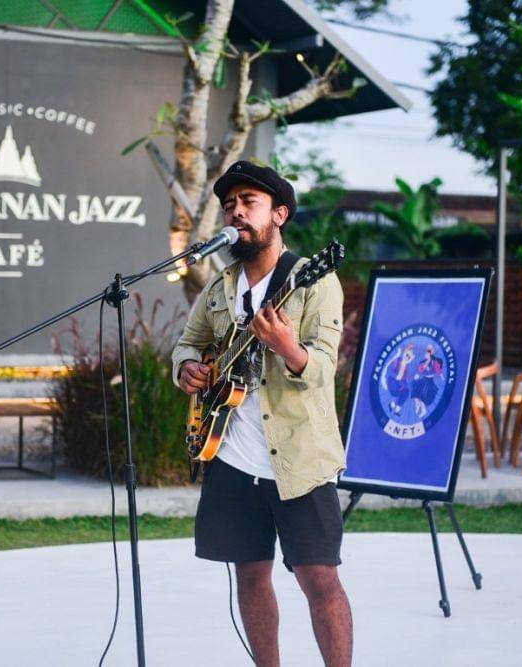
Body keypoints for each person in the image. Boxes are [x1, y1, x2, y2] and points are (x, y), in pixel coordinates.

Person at [172, 161, 351, 667]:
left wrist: (289, 348)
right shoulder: (219, 287)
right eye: (230, 204)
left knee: (320, 580)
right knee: (250, 575)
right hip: (230, 454)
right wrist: (186, 368)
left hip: (299, 459)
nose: (236, 212)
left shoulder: (314, 280)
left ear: (279, 214)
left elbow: (322, 367)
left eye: (248, 202)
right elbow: (188, 343)